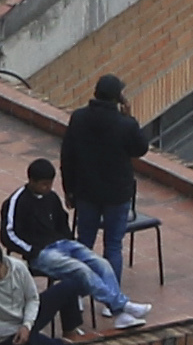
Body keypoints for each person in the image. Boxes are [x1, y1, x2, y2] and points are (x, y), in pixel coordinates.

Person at [0, 159, 148, 329]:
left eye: (50, 184)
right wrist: (32, 250)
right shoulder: (16, 201)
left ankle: (119, 310)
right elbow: (8, 234)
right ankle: (121, 306)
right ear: (31, 181)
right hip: (41, 253)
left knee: (101, 263)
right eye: (43, 185)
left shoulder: (51, 197)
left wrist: (68, 241)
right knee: (81, 270)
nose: (47, 189)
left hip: (63, 244)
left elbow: (62, 222)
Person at [59, 73, 150, 281]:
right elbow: (140, 148)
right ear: (117, 98)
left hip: (86, 191)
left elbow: (67, 156)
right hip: (117, 194)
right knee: (113, 245)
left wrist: (69, 189)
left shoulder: (79, 118)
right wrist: (130, 118)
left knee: (84, 243)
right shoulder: (124, 125)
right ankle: (111, 297)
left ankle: (77, 293)